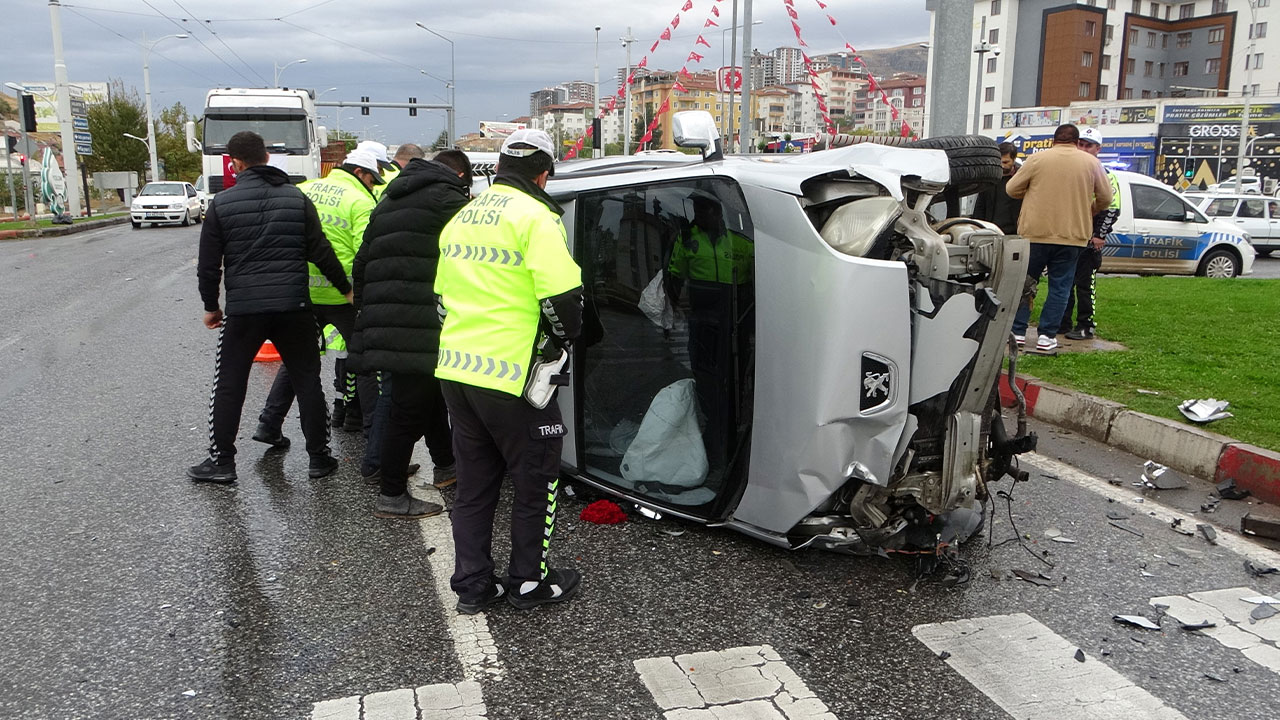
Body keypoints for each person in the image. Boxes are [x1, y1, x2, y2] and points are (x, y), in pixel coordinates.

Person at [435, 129, 583, 614]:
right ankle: (528, 581)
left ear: (496, 169)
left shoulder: (462, 217)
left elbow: (440, 303)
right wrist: (560, 344)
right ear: (544, 174)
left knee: (475, 485)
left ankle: (473, 585)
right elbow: (563, 301)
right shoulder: (536, 218)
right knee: (536, 478)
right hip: (516, 376)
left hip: (458, 370)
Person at [189, 130, 348, 483]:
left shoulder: (222, 203)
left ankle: (222, 462)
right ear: (267, 157)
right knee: (307, 379)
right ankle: (319, 459)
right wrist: (345, 288)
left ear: (236, 163)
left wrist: (211, 307)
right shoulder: (296, 198)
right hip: (294, 305)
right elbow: (320, 250)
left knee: (229, 382)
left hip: (245, 310)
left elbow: (208, 264)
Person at [352, 149, 473, 519]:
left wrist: (371, 312)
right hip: (421, 322)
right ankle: (391, 494)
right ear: (458, 174)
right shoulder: (448, 199)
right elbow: (473, 255)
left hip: (387, 318)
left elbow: (362, 261)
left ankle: (446, 467)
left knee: (426, 396)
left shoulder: (389, 199)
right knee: (407, 410)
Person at [255, 148, 383, 445]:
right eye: (372, 180)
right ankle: (376, 441)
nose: (373, 185)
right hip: (345, 297)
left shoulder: (302, 190)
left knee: (297, 360)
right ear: (360, 174)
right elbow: (367, 254)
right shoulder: (360, 200)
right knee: (364, 362)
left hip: (300, 294)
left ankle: (269, 424)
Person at [665, 193, 754, 476]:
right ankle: (711, 426)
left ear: (718, 212)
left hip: (735, 319)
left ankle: (732, 423)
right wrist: (672, 310)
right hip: (702, 319)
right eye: (696, 207)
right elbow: (674, 276)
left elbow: (755, 283)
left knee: (735, 376)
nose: (699, 212)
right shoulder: (687, 239)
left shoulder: (741, 242)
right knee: (704, 376)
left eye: (705, 208)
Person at [1006, 123, 1113, 352]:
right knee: (1060, 286)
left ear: (1053, 140)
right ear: (1076, 142)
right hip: (1072, 235)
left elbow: (1011, 189)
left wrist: (1031, 193)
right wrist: (1090, 209)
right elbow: (1106, 198)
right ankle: (1047, 336)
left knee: (1026, 284)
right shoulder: (1092, 163)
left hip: (1035, 233)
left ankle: (1018, 331)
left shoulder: (1036, 160)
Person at [1063, 127, 1122, 341]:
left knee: (1085, 285)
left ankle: (1086, 325)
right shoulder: (1073, 171)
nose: (1084, 149)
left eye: (1089, 145)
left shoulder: (1105, 174)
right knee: (1064, 282)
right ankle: (1063, 322)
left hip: (1089, 240)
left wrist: (1099, 235)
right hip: (1069, 236)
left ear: (1098, 149)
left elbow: (1112, 208)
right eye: (1081, 144)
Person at [972, 143, 1023, 235]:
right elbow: (980, 205)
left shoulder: (1021, 178)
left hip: (1013, 233)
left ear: (1014, 159)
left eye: (1006, 162)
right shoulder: (989, 178)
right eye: (999, 162)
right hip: (989, 231)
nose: (1002, 165)